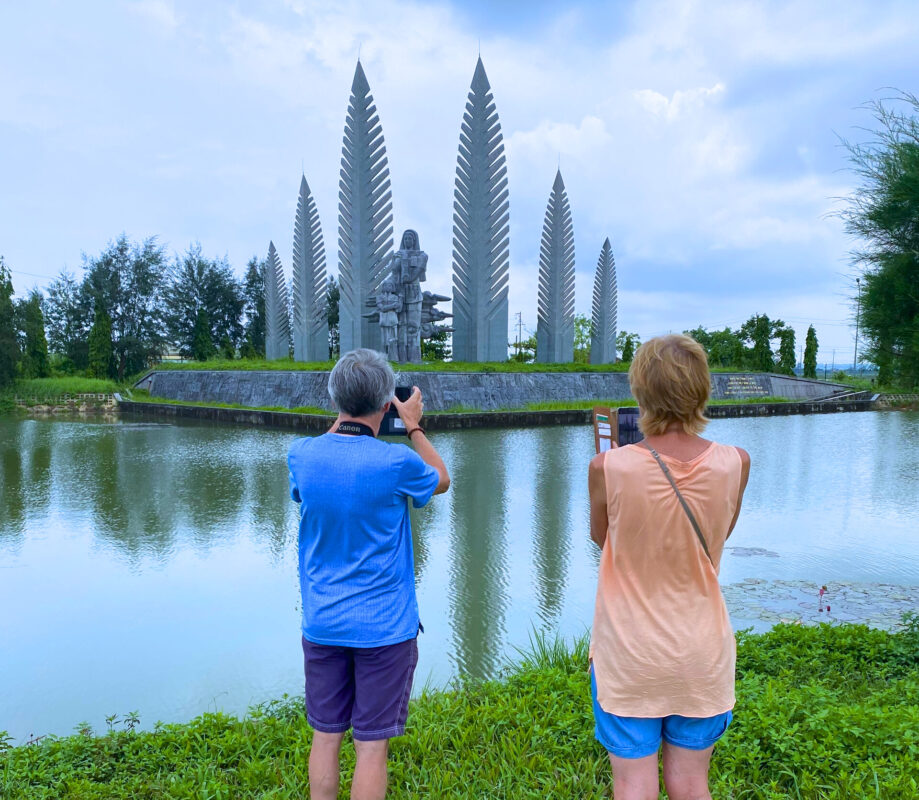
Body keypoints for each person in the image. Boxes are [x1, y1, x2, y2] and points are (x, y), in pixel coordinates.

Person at [587, 334, 751, 800]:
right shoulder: (736, 462)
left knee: (633, 786)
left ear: (641, 391)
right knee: (692, 782)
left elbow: (604, 538)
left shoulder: (606, 466)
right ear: (703, 389)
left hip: (629, 653)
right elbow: (717, 537)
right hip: (702, 652)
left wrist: (626, 463)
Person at [287, 348, 450, 800]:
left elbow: (307, 483)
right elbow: (441, 478)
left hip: (323, 623)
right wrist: (413, 424)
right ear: (386, 405)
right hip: (384, 628)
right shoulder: (396, 464)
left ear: (334, 400)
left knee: (326, 737)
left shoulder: (302, 455)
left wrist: (343, 420)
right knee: (371, 748)